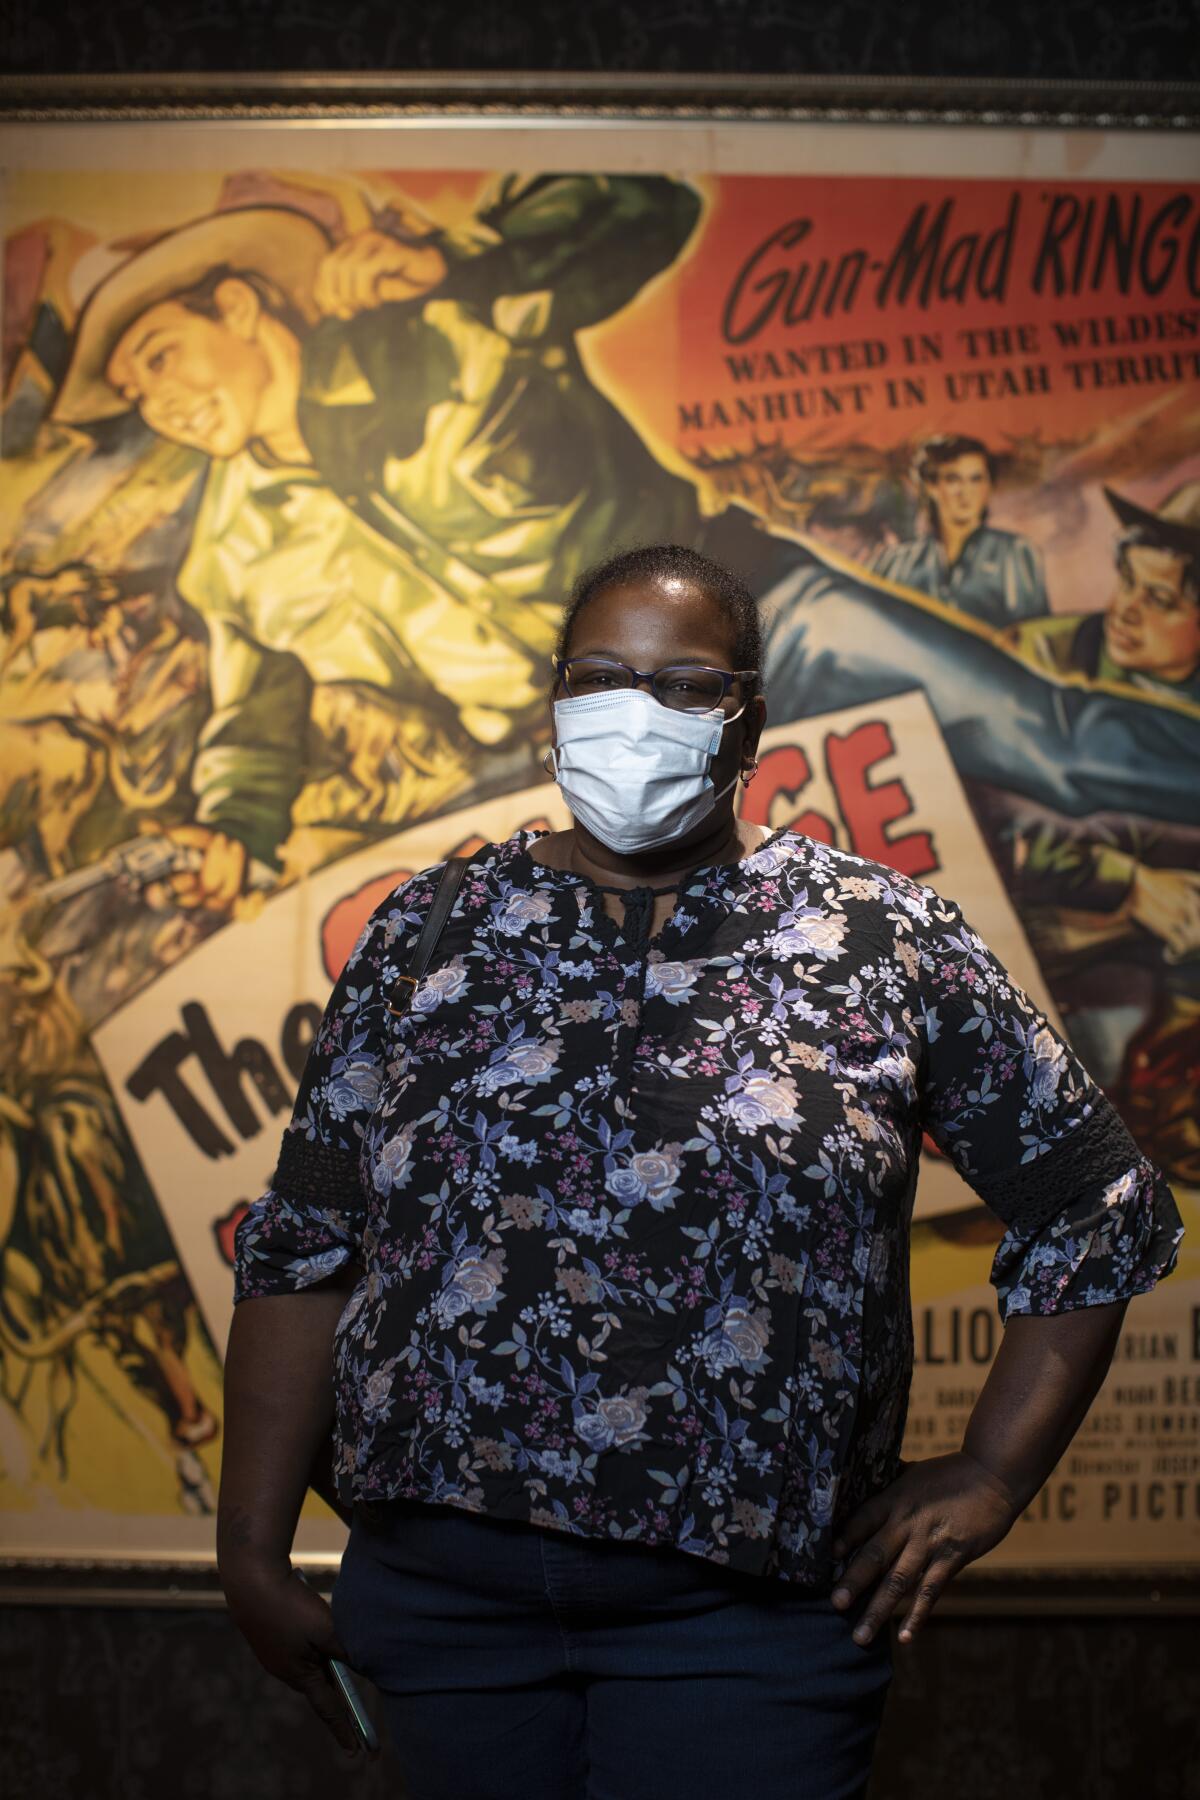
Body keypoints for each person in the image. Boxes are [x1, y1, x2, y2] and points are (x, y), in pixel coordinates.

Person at [217, 545, 1181, 1799]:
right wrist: (249, 1546)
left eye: (687, 685)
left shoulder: (882, 935)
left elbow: (1094, 1208)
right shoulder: (429, 929)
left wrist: (994, 1472)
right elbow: (307, 1242)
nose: (639, 709)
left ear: (750, 724)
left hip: (752, 1633)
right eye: (604, 675)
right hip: (443, 1615)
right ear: (556, 705)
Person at [51, 177, 785, 911]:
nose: (159, 404)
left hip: (771, 616)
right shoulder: (225, 557)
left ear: (236, 306)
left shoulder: (437, 324)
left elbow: (650, 211)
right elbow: (254, 719)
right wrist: (234, 830)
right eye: (137, 394)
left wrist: (463, 261)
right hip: (571, 768)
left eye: (158, 358)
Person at [869, 433, 1048, 628]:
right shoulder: (898, 562)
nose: (965, 492)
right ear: (932, 487)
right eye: (953, 479)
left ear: (989, 486)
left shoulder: (1014, 553)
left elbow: (1033, 635)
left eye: (976, 479)